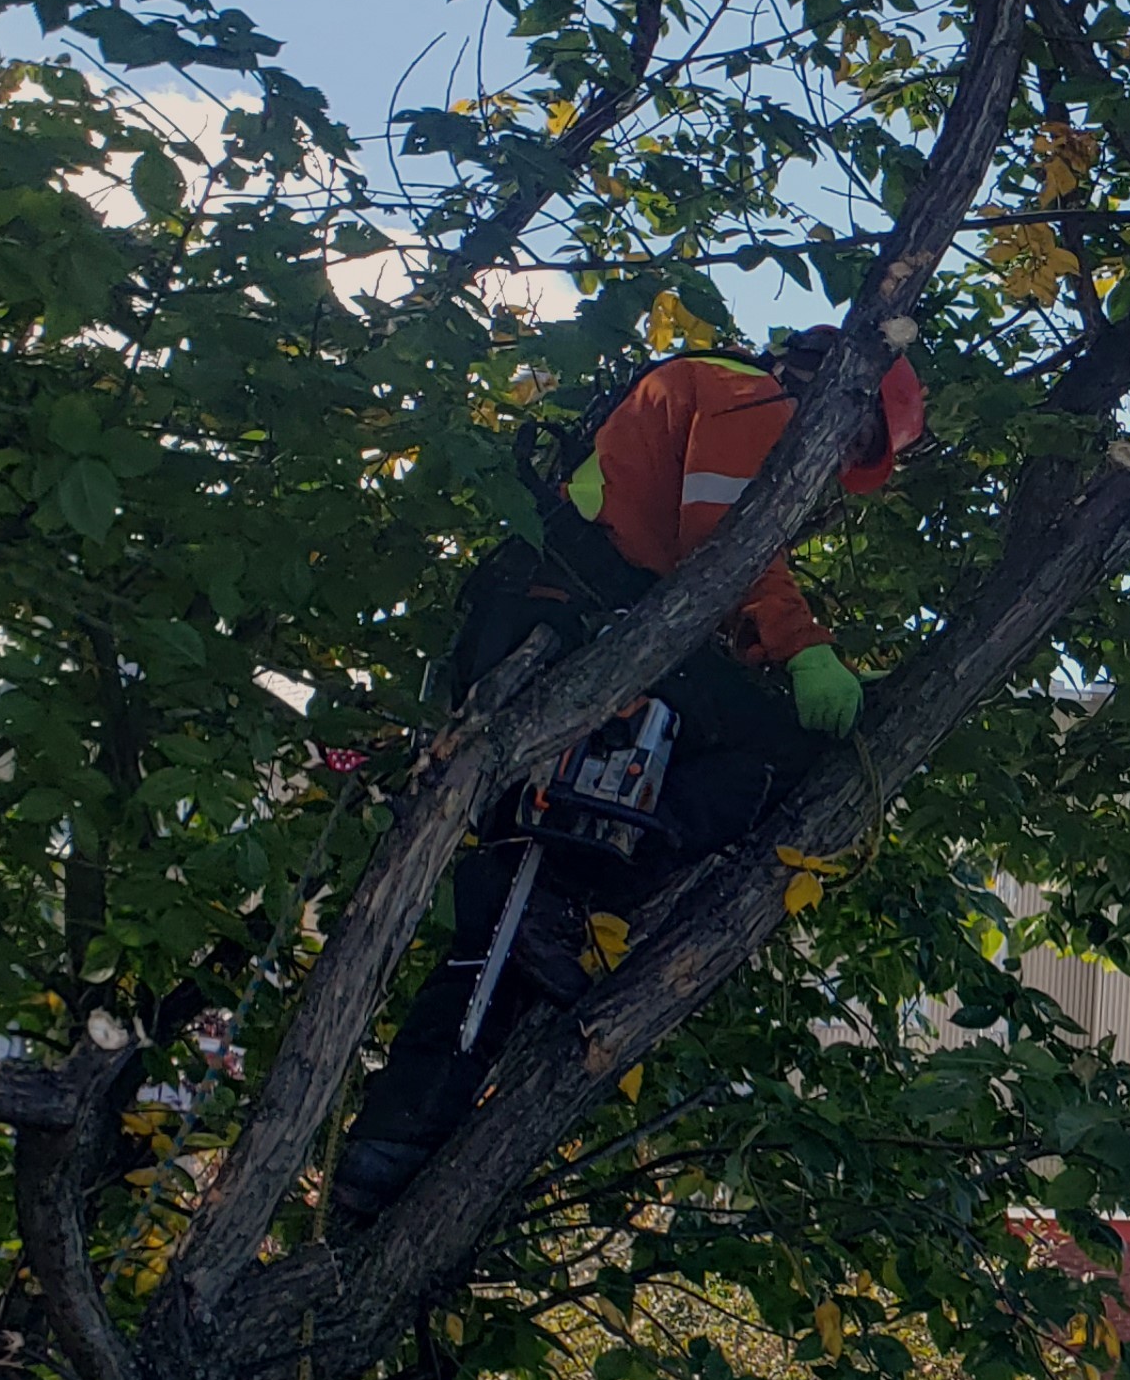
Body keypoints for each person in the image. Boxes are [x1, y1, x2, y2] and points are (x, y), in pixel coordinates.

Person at [331, 329, 924, 1230]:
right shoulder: (745, 399)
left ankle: (386, 1158)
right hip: (585, 624)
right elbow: (724, 543)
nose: (839, 459)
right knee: (782, 756)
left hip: (562, 622)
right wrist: (804, 650)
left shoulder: (713, 397)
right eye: (853, 440)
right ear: (835, 391)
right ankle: (593, 892)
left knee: (500, 926)